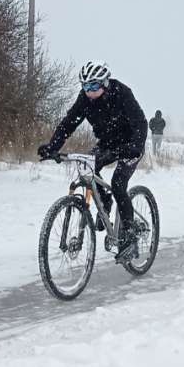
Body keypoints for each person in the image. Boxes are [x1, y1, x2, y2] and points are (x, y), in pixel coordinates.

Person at [38, 60, 148, 263]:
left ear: (105, 83)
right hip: (107, 143)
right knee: (88, 167)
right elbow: (68, 123)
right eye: (85, 86)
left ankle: (130, 236)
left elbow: (140, 122)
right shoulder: (85, 99)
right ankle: (104, 201)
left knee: (118, 183)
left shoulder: (122, 93)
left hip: (130, 145)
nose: (89, 91)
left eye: (93, 86)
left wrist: (135, 145)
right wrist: (53, 147)